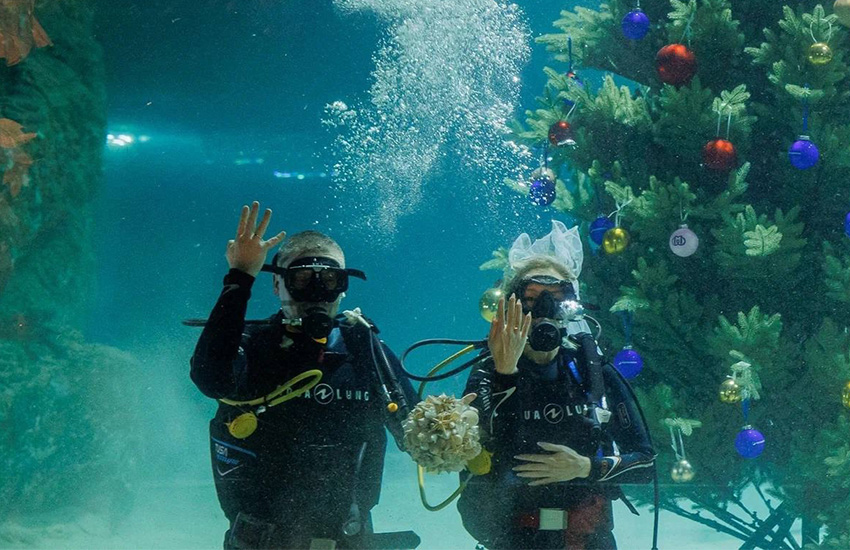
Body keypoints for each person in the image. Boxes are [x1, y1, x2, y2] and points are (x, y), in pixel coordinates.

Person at [190, 202, 420, 550]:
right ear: (276, 286)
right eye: (300, 280)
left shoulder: (365, 350)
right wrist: (239, 276)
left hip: (348, 539)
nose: (316, 294)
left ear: (344, 288)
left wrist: (453, 427)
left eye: (329, 280)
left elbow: (416, 435)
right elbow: (210, 379)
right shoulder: (253, 346)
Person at [457, 221, 656, 550]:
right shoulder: (487, 371)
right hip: (513, 539)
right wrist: (505, 373)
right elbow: (486, 461)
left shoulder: (592, 370)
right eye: (532, 299)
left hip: (588, 539)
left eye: (558, 298)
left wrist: (584, 467)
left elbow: (646, 463)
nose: (544, 312)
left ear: (572, 305)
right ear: (510, 305)